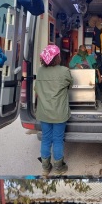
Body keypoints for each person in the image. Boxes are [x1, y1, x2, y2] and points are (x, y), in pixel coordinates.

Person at [35, 44, 73, 176]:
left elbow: (36, 89)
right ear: (57, 57)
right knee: (57, 139)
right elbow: (70, 84)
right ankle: (59, 168)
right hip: (59, 113)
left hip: (44, 112)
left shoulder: (40, 71)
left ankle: (45, 168)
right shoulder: (64, 71)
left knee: (46, 139)